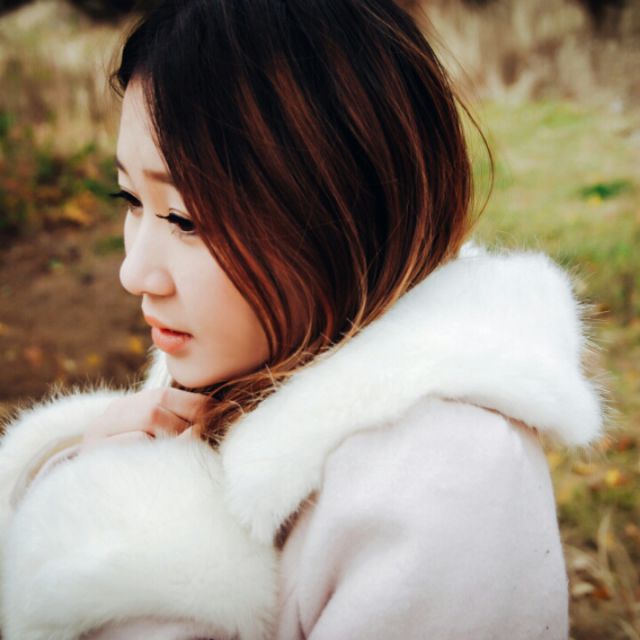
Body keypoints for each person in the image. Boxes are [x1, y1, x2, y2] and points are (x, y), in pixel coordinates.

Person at [0, 0, 611, 638]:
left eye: (185, 218)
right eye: (131, 199)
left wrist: (108, 526)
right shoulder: (249, 354)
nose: (134, 273)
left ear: (343, 209)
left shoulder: (445, 482)